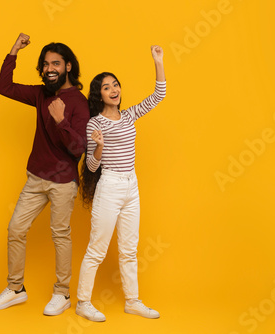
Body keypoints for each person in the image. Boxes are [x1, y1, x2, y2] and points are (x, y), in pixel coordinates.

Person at [0, 33, 90, 316]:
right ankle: (16, 289)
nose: (49, 69)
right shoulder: (40, 93)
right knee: (16, 229)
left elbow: (79, 147)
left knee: (60, 235)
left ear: (68, 66)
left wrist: (60, 120)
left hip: (63, 182)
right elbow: (3, 86)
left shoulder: (78, 102)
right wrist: (14, 50)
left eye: (55, 64)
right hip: (35, 178)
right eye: (45, 64)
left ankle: (62, 293)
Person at [76, 45, 166, 322]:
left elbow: (159, 95)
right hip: (110, 186)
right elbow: (91, 166)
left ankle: (132, 301)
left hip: (131, 185)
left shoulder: (128, 116)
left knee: (129, 249)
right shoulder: (94, 124)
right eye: (106, 87)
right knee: (97, 248)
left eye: (115, 85)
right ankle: (82, 302)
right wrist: (100, 147)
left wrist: (158, 61)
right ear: (98, 94)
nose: (114, 90)